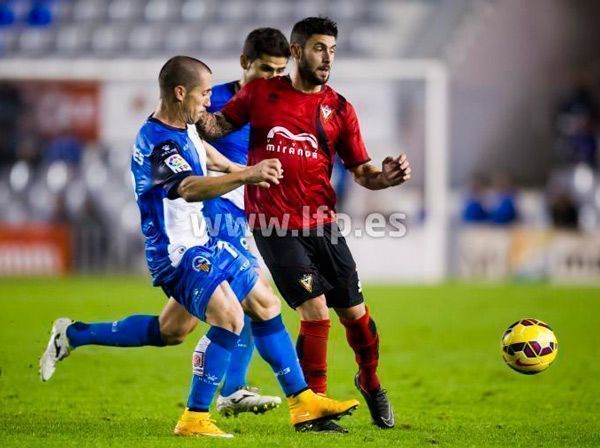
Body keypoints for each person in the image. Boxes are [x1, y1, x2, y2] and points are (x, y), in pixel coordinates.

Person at [40, 55, 358, 438]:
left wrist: (239, 172)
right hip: (177, 254)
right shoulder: (157, 142)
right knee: (230, 318)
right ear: (180, 92)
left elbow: (203, 152)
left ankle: (302, 401)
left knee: (228, 313)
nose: (210, 102)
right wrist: (249, 174)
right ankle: (193, 417)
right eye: (204, 94)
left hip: (204, 243)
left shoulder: (184, 126)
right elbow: (188, 187)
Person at [196, 17, 411, 430]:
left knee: (356, 316)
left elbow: (362, 171)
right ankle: (313, 410)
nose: (327, 56)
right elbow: (218, 125)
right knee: (315, 312)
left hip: (323, 223)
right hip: (273, 223)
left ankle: (370, 381)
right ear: (296, 52)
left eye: (331, 49)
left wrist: (385, 177)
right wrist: (186, 105)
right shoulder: (261, 93)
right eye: (318, 48)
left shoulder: (340, 109)